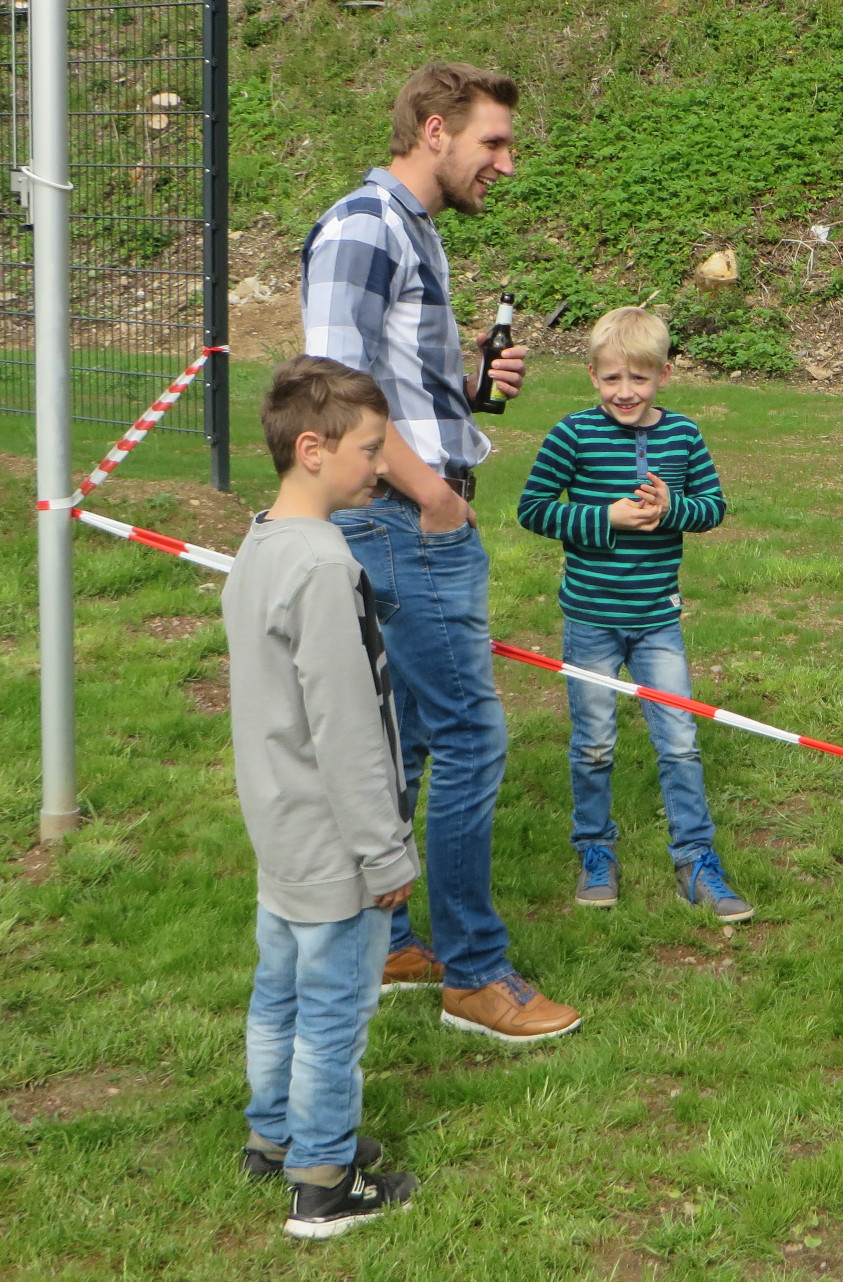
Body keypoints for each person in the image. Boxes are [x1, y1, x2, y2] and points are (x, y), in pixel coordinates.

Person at [302, 62, 578, 1042]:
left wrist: (468, 387)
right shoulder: (365, 225)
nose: (507, 162)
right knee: (469, 736)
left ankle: (386, 946)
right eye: (493, 141)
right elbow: (334, 392)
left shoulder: (411, 229)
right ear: (433, 129)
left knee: (411, 738)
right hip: (401, 520)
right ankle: (475, 973)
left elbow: (392, 382)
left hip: (408, 512)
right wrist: (432, 495)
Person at [224, 357, 422, 1239]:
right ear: (314, 449)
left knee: (280, 993)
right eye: (370, 450)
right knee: (334, 1013)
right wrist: (383, 851)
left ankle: (273, 1136)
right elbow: (347, 726)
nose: (381, 466)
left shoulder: (262, 543)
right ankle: (324, 1180)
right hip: (336, 843)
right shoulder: (324, 567)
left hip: (279, 828)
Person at [516, 307, 747, 922]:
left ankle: (695, 859)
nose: (625, 392)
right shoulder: (572, 435)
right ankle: (596, 850)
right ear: (593, 375)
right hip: (590, 620)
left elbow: (713, 507)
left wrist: (674, 509)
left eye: (639, 379)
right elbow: (533, 509)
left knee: (681, 743)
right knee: (593, 743)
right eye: (612, 378)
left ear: (663, 375)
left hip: (657, 621)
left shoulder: (683, 436)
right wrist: (606, 518)